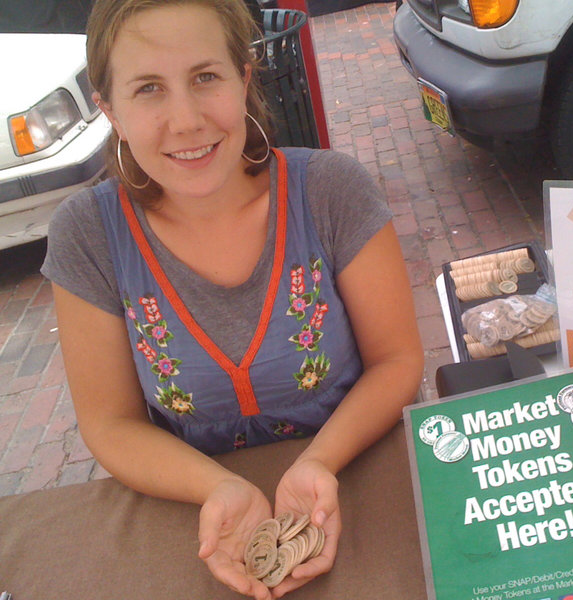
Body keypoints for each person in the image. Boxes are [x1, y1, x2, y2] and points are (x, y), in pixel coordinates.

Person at [40, 1, 424, 598]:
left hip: (366, 485)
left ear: (243, 78)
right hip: (203, 523)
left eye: (205, 77)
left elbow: (397, 361)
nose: (187, 120)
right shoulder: (88, 235)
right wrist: (216, 488)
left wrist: (319, 462)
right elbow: (109, 423)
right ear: (109, 109)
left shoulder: (331, 191)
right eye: (148, 89)